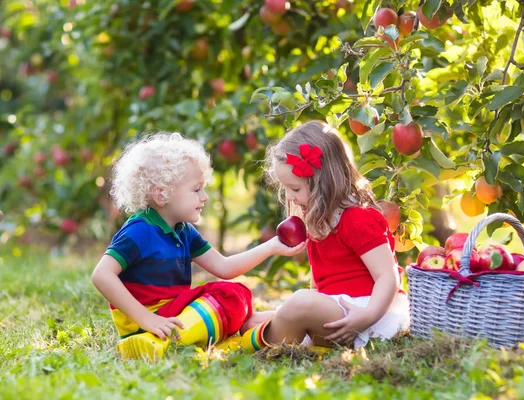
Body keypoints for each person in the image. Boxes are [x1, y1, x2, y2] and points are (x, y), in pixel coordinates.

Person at [91, 132, 305, 361]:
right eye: (196, 190)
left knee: (237, 294)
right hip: (147, 321)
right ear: (162, 194)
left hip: (175, 314)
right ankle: (156, 341)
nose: (204, 197)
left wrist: (272, 246)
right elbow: (101, 275)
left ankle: (202, 339)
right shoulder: (140, 229)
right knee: (227, 297)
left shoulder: (183, 231)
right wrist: (147, 319)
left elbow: (224, 267)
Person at [240, 120, 409, 351]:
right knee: (251, 319)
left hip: (369, 314)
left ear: (324, 182)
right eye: (286, 188)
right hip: (336, 310)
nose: (289, 197)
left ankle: (260, 346)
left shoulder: (358, 218)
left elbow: (388, 277)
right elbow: (319, 286)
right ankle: (261, 334)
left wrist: (367, 316)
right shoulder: (318, 222)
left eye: (296, 189)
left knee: (299, 303)